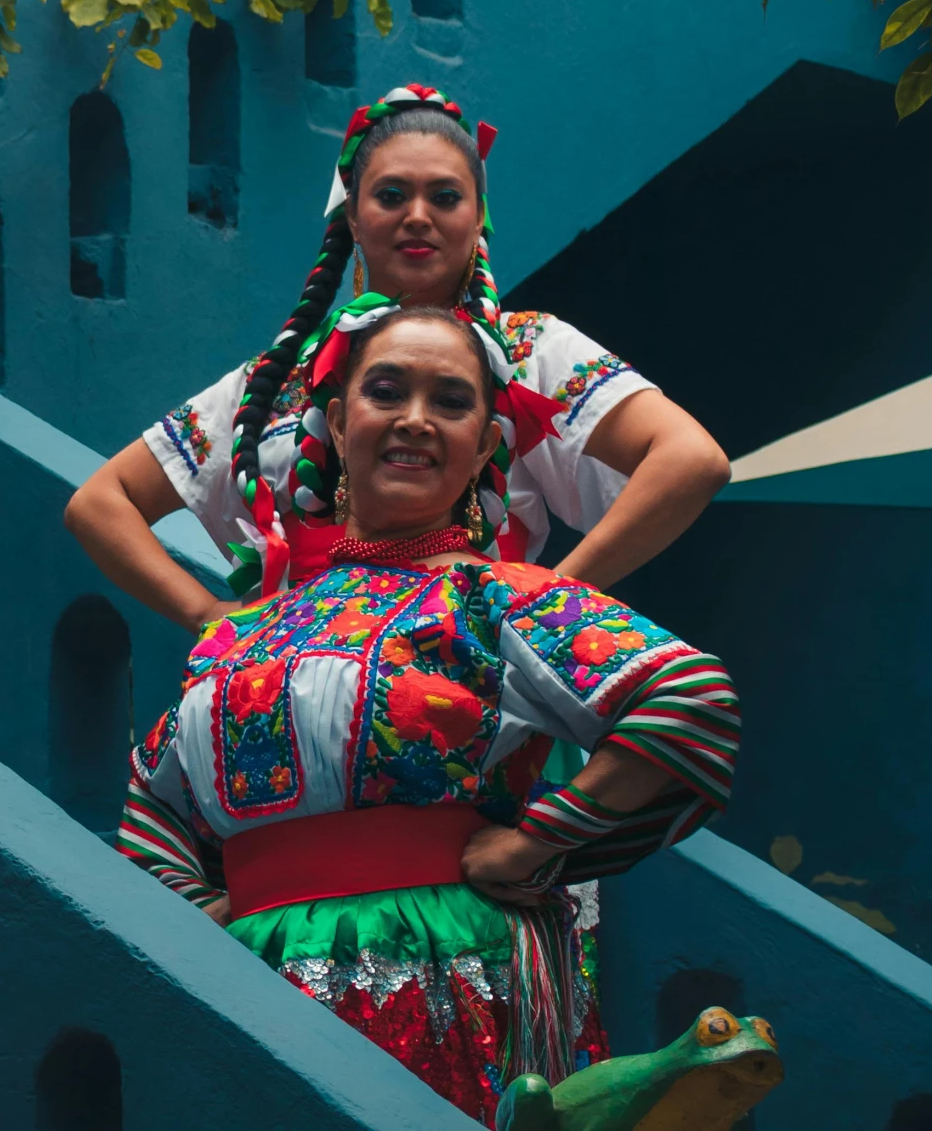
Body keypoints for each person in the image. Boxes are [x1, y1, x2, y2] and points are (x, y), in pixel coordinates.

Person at [117, 306, 740, 1124]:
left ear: (484, 446)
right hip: (247, 1005)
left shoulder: (495, 596)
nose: (415, 418)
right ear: (339, 423)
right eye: (386, 390)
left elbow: (689, 699)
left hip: (447, 982)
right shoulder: (245, 632)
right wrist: (209, 917)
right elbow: (155, 793)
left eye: (450, 401)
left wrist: (535, 843)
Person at [66, 84, 731, 631]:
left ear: (477, 220)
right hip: (288, 704)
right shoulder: (281, 376)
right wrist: (211, 615)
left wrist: (546, 602)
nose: (418, 215)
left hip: (479, 705)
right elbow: (101, 501)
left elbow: (691, 459)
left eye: (444, 197)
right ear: (353, 217)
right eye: (391, 195)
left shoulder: (527, 354)